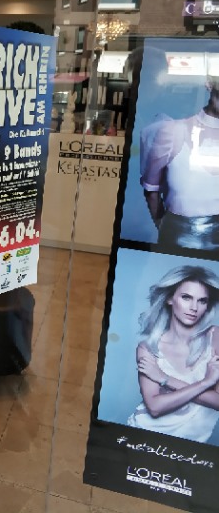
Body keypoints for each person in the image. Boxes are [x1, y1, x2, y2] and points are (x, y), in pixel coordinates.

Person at [128, 265, 219, 443]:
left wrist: (165, 379)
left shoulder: (215, 337)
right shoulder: (148, 347)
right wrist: (206, 383)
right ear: (170, 298)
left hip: (191, 445)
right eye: (186, 297)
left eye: (202, 301)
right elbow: (155, 408)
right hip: (144, 434)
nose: (194, 307)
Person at [140, 63, 219, 251]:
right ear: (209, 83)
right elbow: (151, 190)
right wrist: (166, 228)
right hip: (181, 236)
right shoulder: (173, 131)